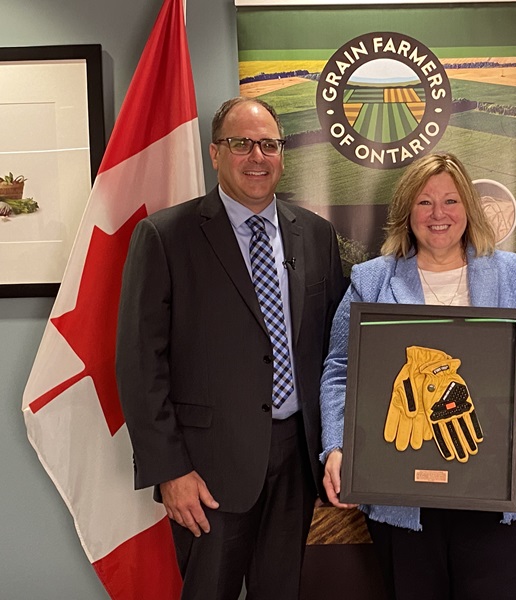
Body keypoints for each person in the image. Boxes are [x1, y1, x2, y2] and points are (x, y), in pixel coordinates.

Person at [116, 97, 346, 600]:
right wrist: (170, 470)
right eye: (241, 144)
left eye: (269, 144)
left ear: (283, 155)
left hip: (295, 461)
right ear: (215, 153)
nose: (256, 156)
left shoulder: (316, 235)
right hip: (206, 468)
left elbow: (336, 354)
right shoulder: (165, 237)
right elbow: (139, 365)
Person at [320, 153, 516, 600]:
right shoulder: (371, 281)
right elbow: (339, 369)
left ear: (469, 207)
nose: (438, 215)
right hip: (401, 486)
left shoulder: (514, 273)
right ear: (406, 212)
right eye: (424, 202)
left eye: (450, 201)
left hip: (500, 486)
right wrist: (336, 446)